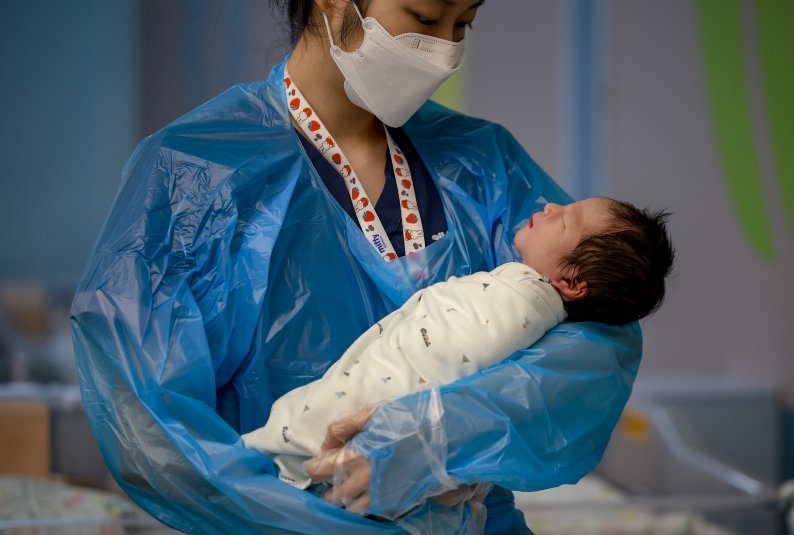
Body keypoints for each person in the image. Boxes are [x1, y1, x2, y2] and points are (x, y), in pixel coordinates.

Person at [70, 1, 645, 533]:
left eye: (463, 23)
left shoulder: (484, 164)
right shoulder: (194, 174)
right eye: (424, 16)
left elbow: (598, 337)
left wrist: (441, 434)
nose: (445, 48)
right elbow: (154, 431)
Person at [243, 198, 674, 495]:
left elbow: (436, 358)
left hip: (357, 429)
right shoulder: (517, 289)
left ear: (573, 283)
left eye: (565, 220)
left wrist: (426, 433)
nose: (551, 206)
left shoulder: (522, 302)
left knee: (300, 441)